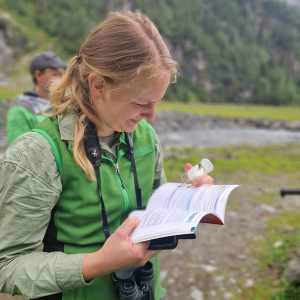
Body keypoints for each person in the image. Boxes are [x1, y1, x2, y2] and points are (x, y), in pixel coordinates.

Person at [0, 11, 213, 300]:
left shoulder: (145, 135)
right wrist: (100, 263)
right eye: (141, 103)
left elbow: (155, 208)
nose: (151, 115)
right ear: (98, 85)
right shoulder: (37, 153)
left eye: (156, 102)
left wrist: (187, 199)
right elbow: (9, 267)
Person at [6, 51, 66, 145]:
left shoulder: (63, 105)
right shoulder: (19, 111)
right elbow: (18, 154)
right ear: (38, 75)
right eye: (55, 74)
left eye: (62, 75)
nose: (61, 80)